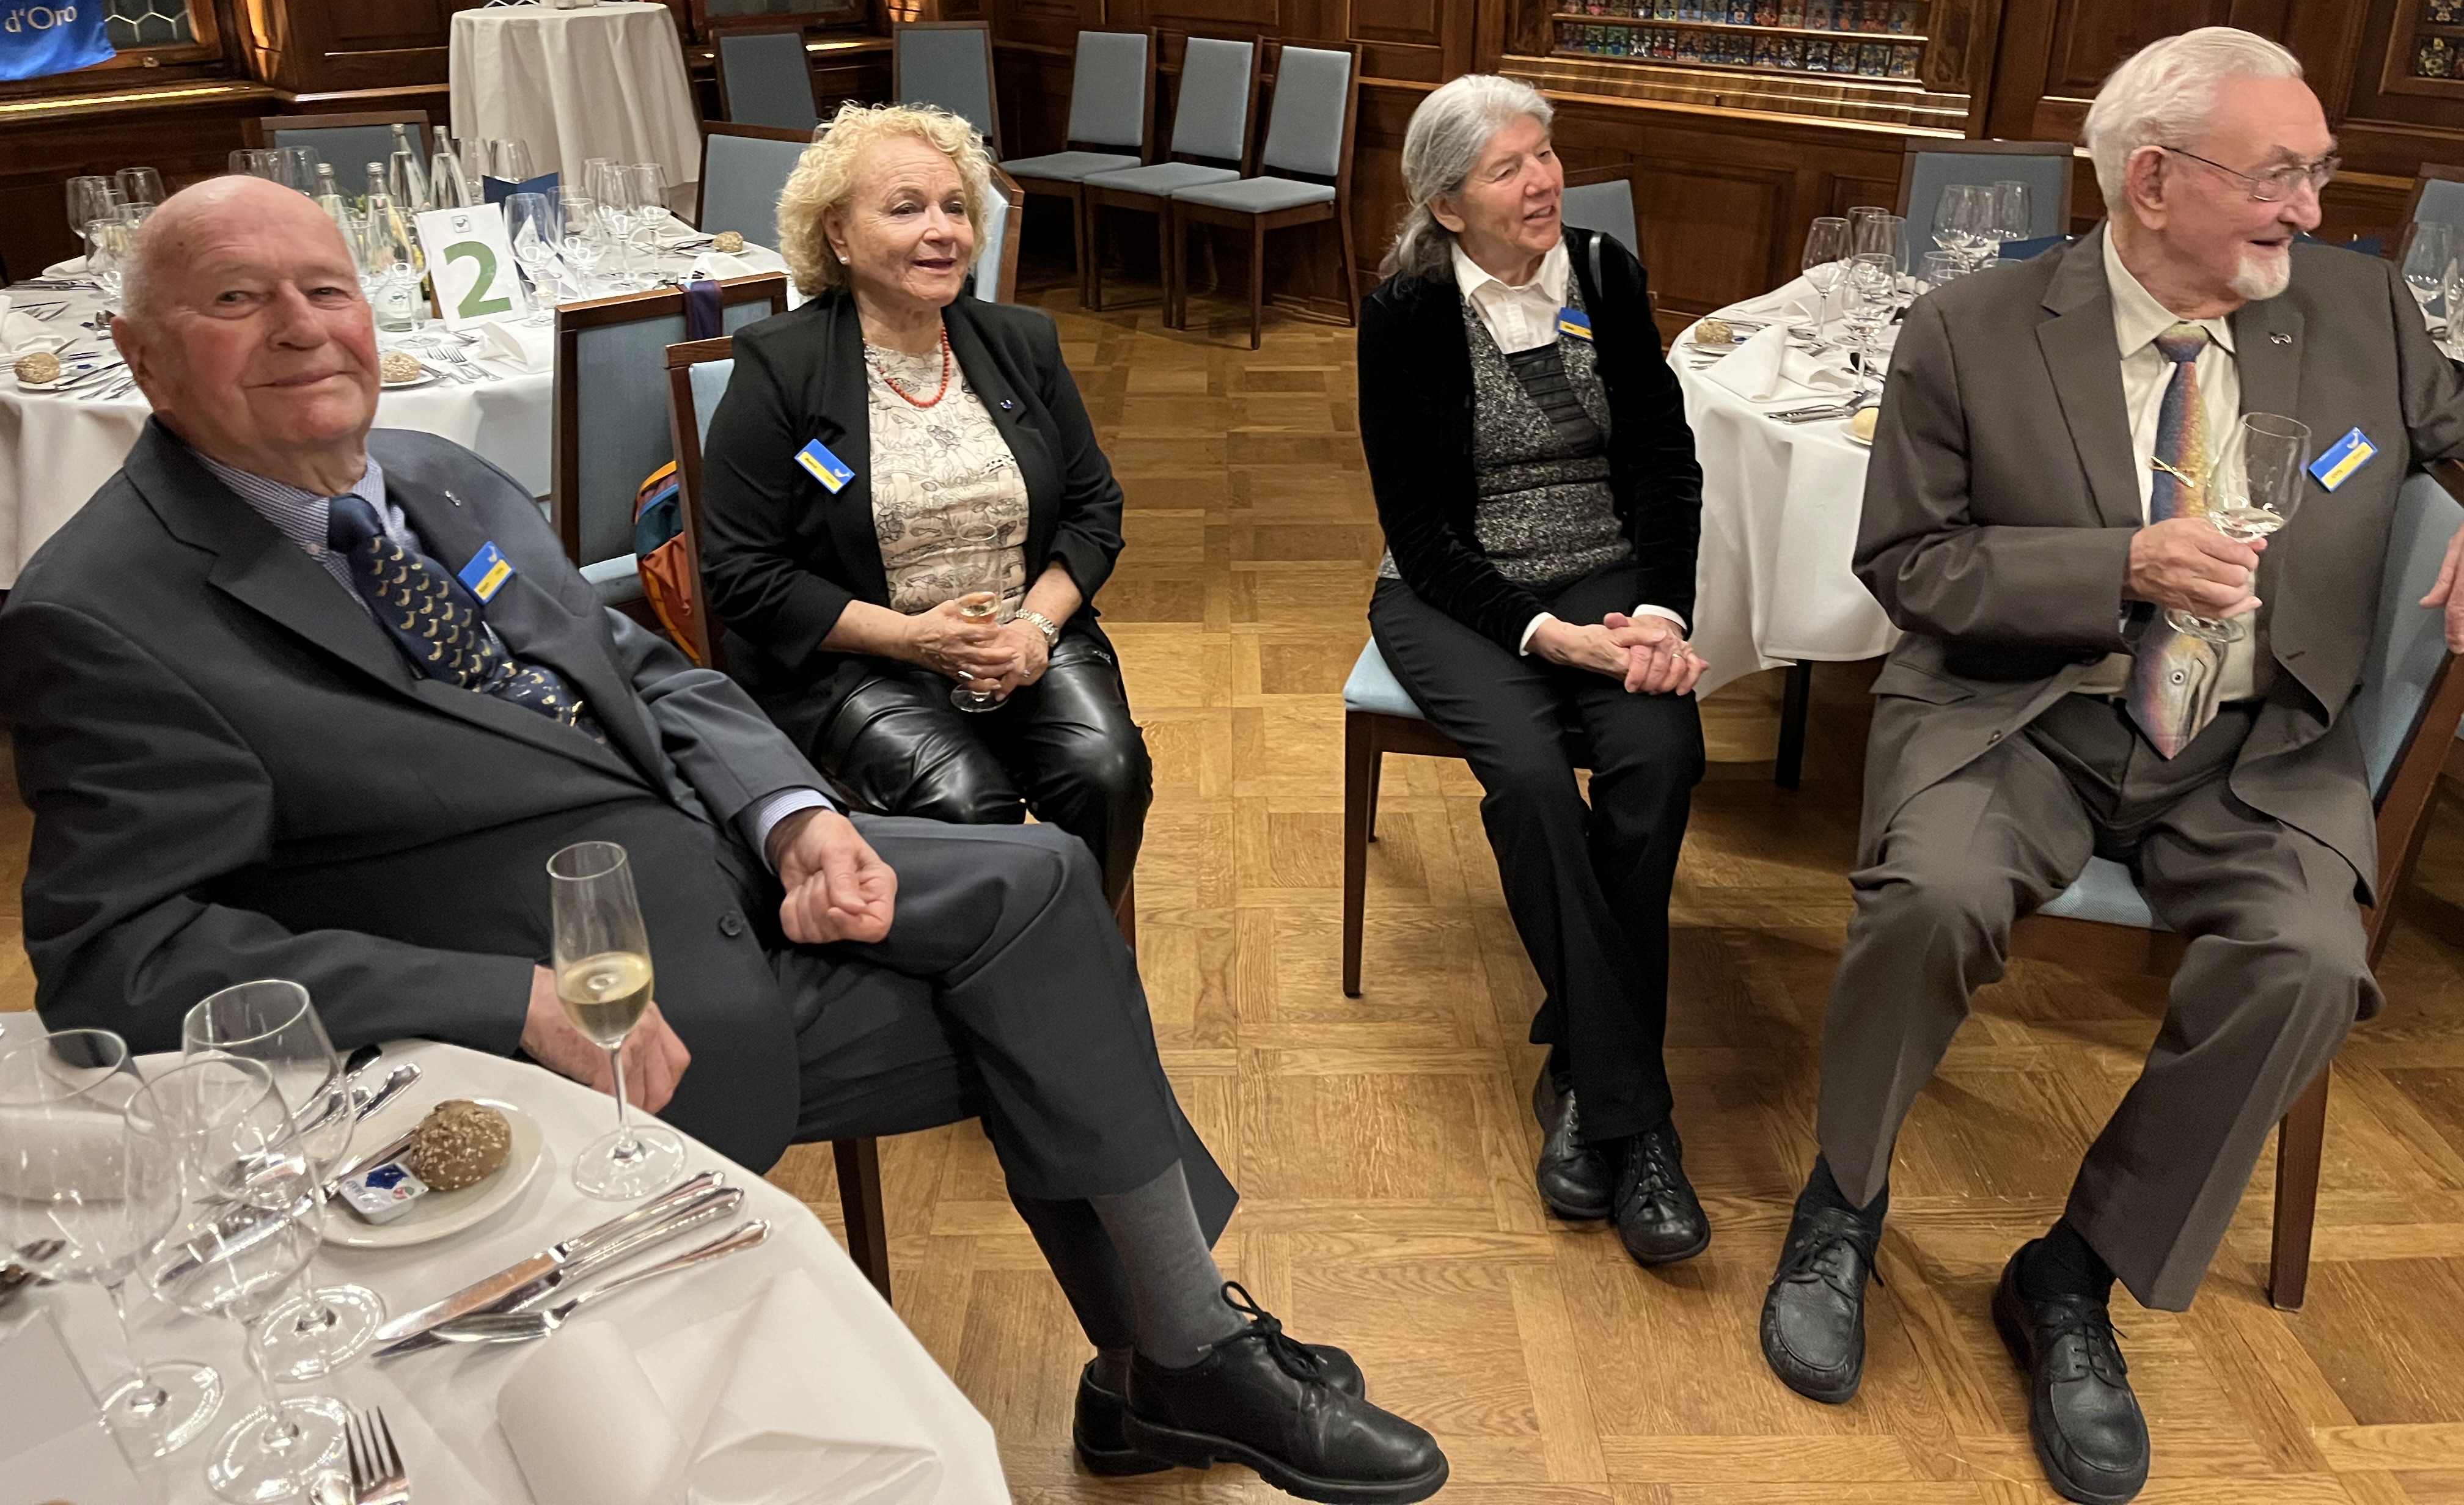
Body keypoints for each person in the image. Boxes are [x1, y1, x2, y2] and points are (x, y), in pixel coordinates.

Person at [0, 176, 1448, 1504]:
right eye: (236, 299)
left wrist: (793, 811)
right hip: (587, 999)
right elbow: (119, 957)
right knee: (1059, 1011)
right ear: (141, 356)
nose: (302, 326)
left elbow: (643, 668)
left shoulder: (438, 477)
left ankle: (1166, 1361)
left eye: (327, 287)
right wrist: (504, 999)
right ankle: (1176, 1355)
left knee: (1047, 876)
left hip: (726, 859)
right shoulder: (105, 610)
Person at [1758, 27, 2464, 1505]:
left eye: (2320, 171)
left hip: (2260, 747)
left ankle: (2075, 1273)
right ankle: (1844, 1204)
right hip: (2023, 715)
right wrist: (2118, 566)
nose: (2313, 207)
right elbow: (1910, 564)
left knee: (2310, 963)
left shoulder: (2360, 310)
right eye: (2279, 175)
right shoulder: (1972, 328)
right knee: (1933, 898)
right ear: (2154, 181)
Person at [1355, 75, 1712, 1269]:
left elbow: (1664, 458)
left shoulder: (1603, 273)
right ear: (1448, 205)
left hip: (1608, 574)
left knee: (1661, 757)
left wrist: (1657, 610)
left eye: (1545, 154)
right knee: (1528, 781)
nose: (1544, 180)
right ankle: (1637, 1123)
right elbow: (1417, 529)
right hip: (1457, 593)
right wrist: (1545, 636)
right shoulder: (1404, 312)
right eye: (1508, 167)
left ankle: (1580, 1066)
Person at [697, 102, 1150, 918]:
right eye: (906, 209)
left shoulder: (1022, 343)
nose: (943, 232)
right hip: (858, 661)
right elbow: (742, 574)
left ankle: (1072, 954)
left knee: (1108, 773)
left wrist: (1035, 629)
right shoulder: (781, 367)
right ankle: (984, 974)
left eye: (955, 208)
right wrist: (913, 639)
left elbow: (1093, 509)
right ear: (839, 234)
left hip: (1023, 638)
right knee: (966, 801)